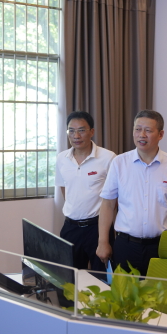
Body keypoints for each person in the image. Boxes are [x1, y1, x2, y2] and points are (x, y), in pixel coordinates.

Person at [96, 110, 167, 276]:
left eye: (148, 130)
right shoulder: (119, 163)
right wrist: (103, 241)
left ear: (160, 134)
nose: (142, 135)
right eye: (137, 129)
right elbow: (108, 204)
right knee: (124, 292)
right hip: (126, 245)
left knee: (162, 291)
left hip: (163, 246)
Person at [56, 111, 116, 272]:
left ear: (92, 132)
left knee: (101, 278)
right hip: (70, 227)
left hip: (97, 228)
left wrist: (104, 238)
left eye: (81, 130)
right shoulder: (61, 158)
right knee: (69, 278)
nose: (76, 135)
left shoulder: (108, 158)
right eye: (71, 130)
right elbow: (64, 189)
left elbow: (115, 197)